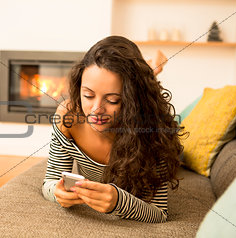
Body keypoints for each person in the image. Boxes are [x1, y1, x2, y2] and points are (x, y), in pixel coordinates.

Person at [42, 36, 183, 223]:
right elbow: (49, 182)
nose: (96, 110)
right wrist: (57, 193)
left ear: (131, 99)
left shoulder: (154, 131)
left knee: (148, 79)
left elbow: (159, 212)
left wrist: (119, 202)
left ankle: (154, 66)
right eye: (88, 95)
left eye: (112, 100)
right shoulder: (68, 116)